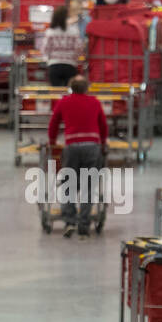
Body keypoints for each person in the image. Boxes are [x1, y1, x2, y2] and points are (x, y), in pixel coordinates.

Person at [48, 75, 108, 239]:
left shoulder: (64, 102)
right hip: (92, 147)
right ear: (86, 88)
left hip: (72, 147)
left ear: (71, 87)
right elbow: (103, 125)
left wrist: (52, 141)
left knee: (69, 184)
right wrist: (103, 142)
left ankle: (69, 222)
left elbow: (53, 123)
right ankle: (84, 225)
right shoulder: (95, 102)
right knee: (89, 186)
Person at [40, 4, 83, 87]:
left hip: (54, 65)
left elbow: (45, 49)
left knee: (56, 94)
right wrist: (74, 58)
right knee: (69, 93)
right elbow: (79, 48)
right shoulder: (74, 31)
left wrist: (48, 59)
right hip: (70, 65)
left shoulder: (50, 32)